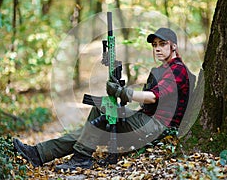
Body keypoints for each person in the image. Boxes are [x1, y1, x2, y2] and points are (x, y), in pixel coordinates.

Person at [13, 27, 190, 171]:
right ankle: (38, 153)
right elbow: (149, 99)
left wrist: (123, 93)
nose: (157, 48)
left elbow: (152, 97)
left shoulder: (177, 70)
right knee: (91, 130)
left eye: (162, 44)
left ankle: (81, 157)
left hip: (159, 128)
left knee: (101, 110)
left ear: (173, 46)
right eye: (154, 45)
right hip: (148, 123)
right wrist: (122, 91)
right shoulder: (165, 69)